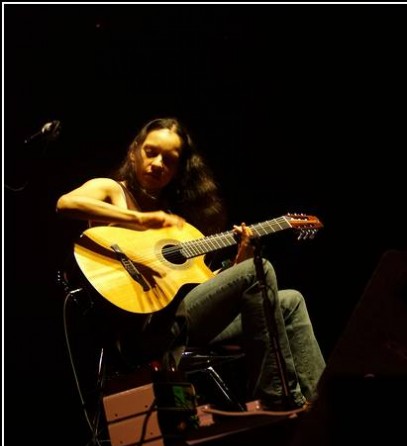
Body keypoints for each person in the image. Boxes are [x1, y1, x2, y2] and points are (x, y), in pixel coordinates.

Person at [56, 117, 326, 410]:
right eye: (151, 152)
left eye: (169, 160)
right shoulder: (111, 190)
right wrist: (141, 219)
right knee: (262, 270)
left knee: (290, 301)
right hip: (145, 331)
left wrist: (242, 258)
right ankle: (278, 396)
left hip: (183, 322)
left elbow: (204, 286)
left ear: (178, 170)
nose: (158, 163)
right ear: (134, 152)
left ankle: (324, 401)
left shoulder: (178, 226)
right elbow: (66, 204)